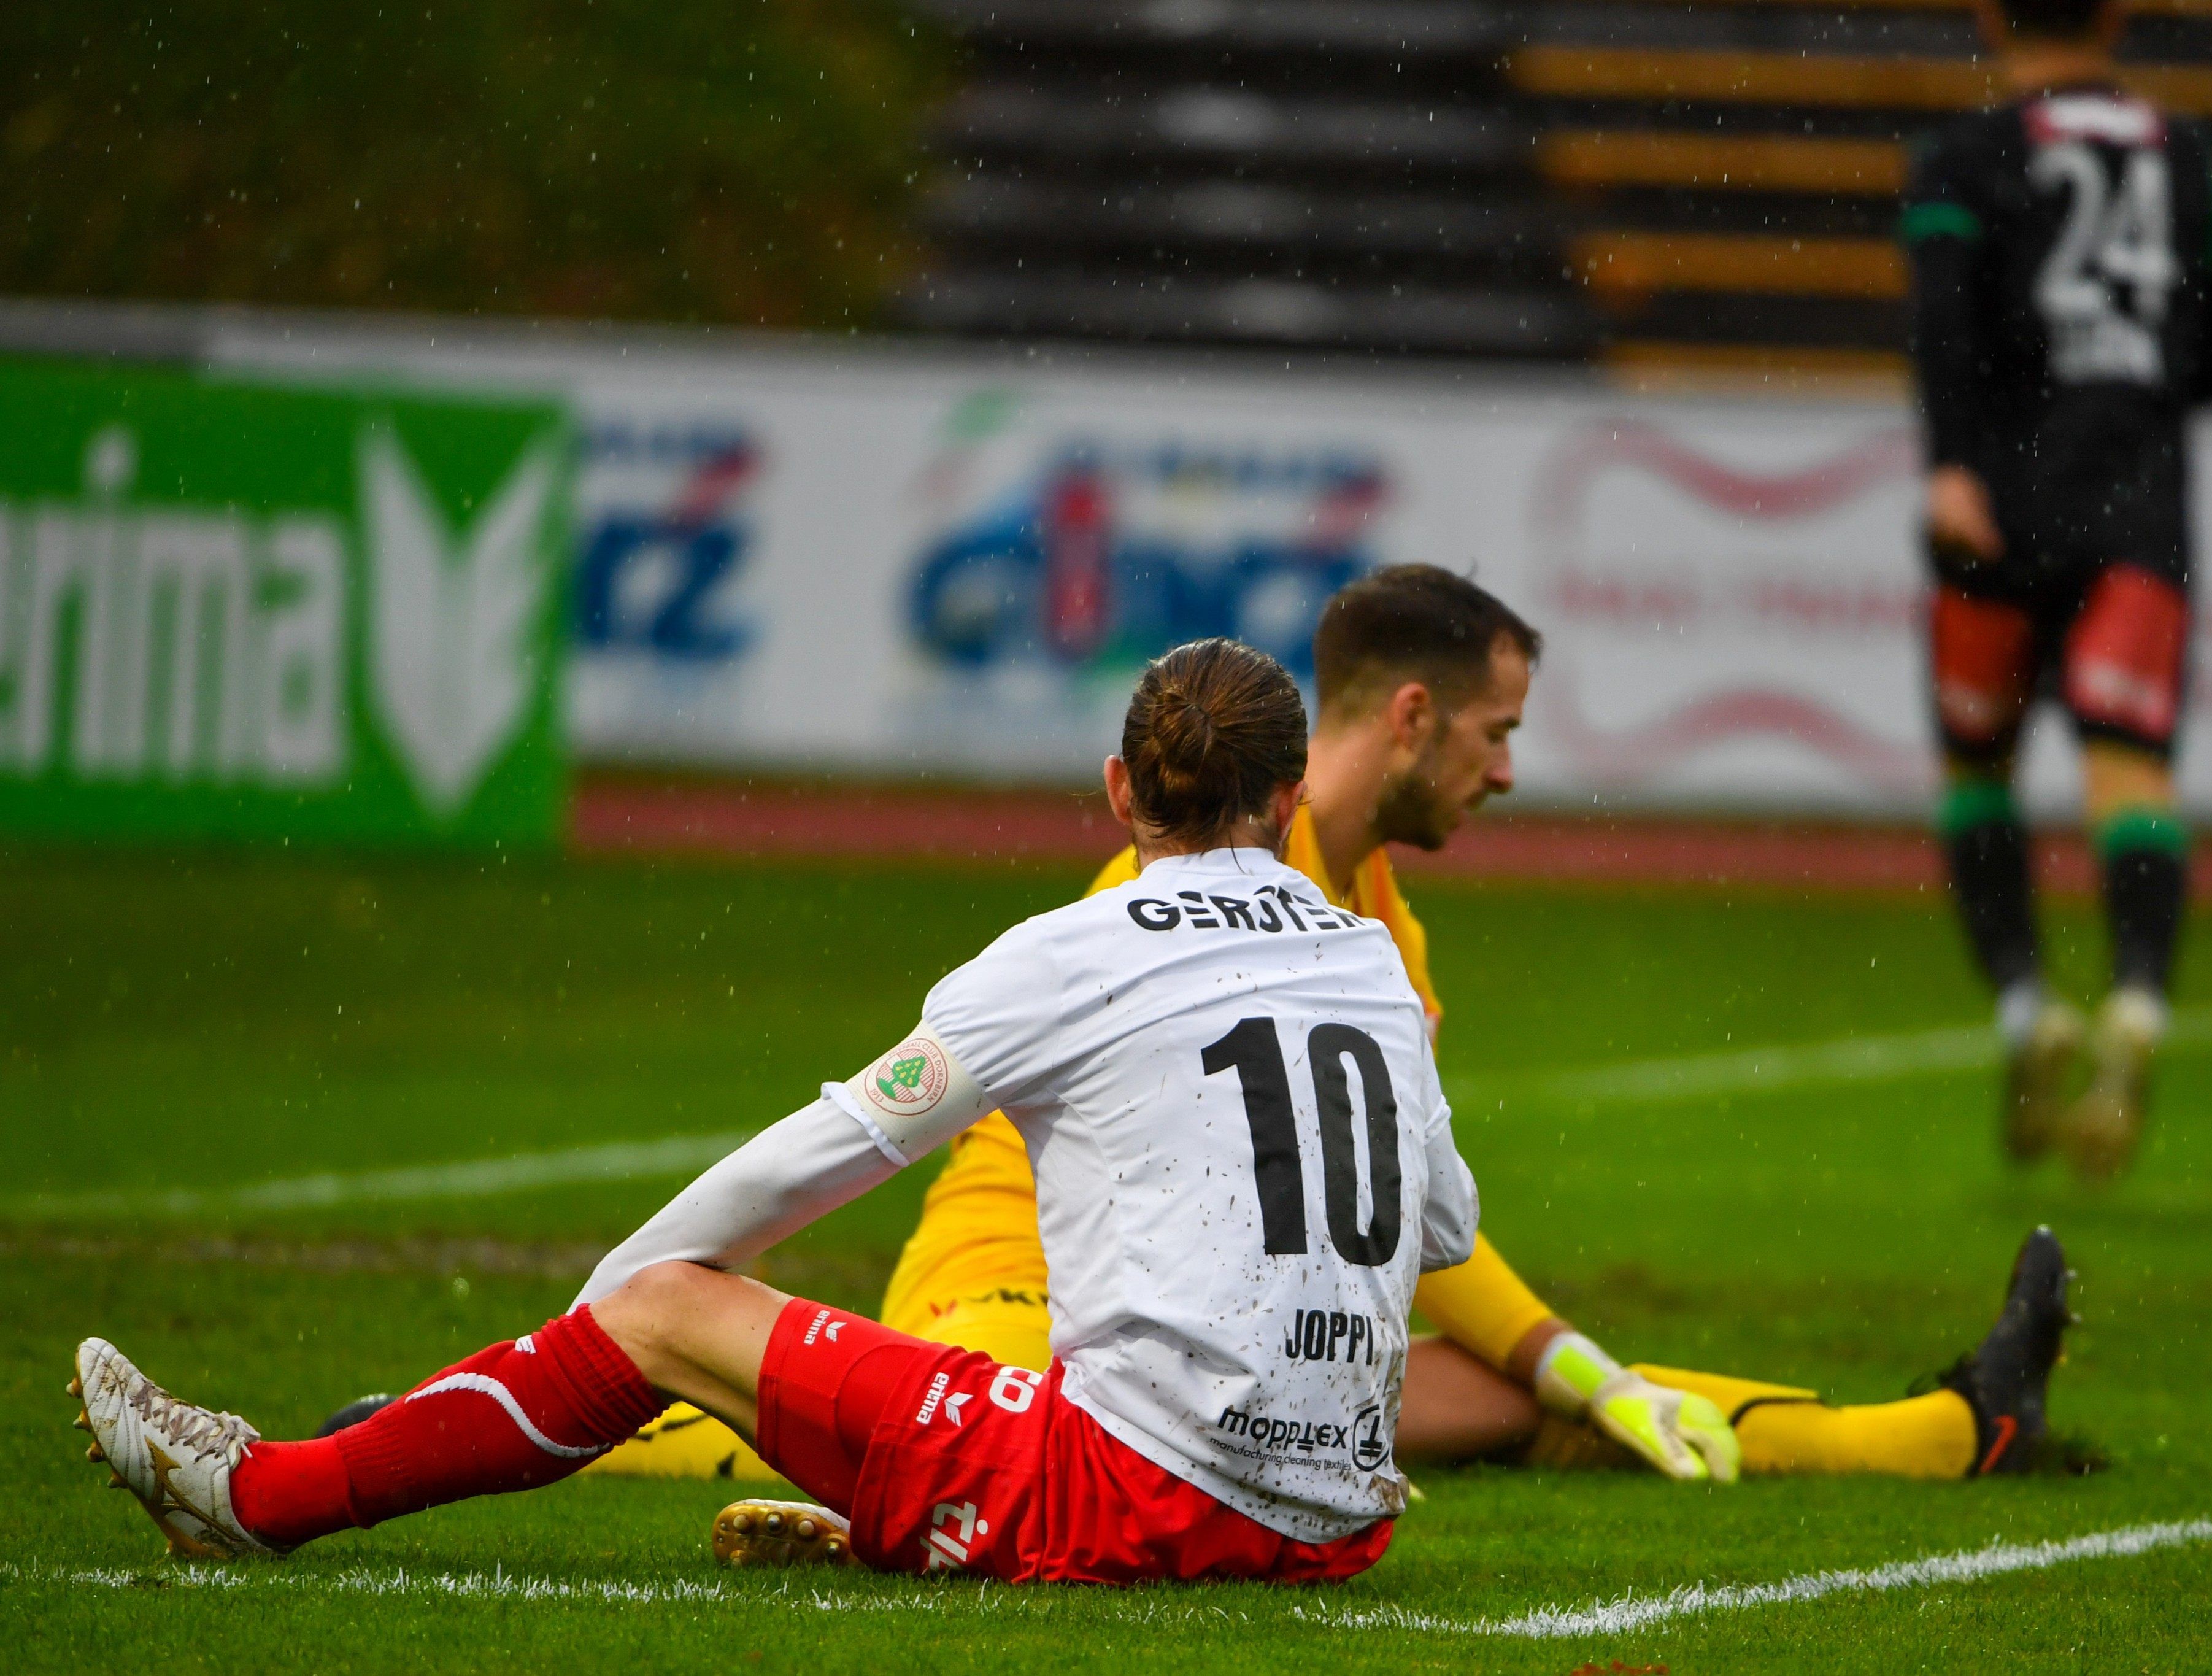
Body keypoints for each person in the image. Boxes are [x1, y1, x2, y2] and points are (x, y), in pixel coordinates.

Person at [600, 566, 2073, 1494]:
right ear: (1417, 716)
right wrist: (1575, 1358)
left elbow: (1362, 1210)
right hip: (1025, 1292)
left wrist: (1564, 1365)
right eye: (1499, 733)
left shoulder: (1374, 916)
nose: (1508, 772)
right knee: (996, 1419)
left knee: (1524, 1394)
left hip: (1210, 1310)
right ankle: (617, 1416)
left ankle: (1946, 1432)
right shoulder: (1182, 893)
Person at [72, 639, 1484, 1581]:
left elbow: (828, 1150)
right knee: (998, 1383)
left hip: (1139, 1500)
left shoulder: (1071, 949)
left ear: (1120, 787)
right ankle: (904, 1516)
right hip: (1342, 1525)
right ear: (1294, 796)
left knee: (673, 1309)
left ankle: (259, 1498)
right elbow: (1439, 1227)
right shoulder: (1366, 956)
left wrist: (614, 1312)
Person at [1905, 0, 2212, 1176]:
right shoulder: (2188, 154)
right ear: (2118, 16)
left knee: (1977, 764)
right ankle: (2137, 1004)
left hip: (1995, 496)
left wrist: (1953, 463)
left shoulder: (1966, 155)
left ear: (1991, 16)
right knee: (2128, 768)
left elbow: (1942, 319)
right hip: (2140, 503)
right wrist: (2141, 399)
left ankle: (2024, 1005)